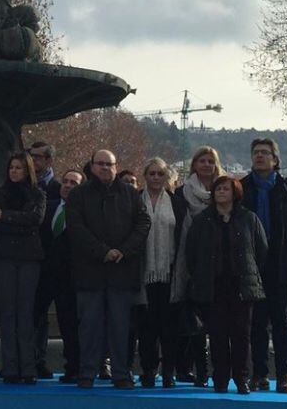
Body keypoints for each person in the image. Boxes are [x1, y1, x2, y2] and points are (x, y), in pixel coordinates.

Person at [67, 149, 151, 389]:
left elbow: (144, 223)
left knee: (121, 328)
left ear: (116, 167)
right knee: (89, 327)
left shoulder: (131, 194)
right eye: (100, 164)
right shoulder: (78, 195)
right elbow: (76, 228)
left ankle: (121, 374)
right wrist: (103, 251)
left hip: (122, 271)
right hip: (89, 272)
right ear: (92, 166)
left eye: (109, 164)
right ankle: (87, 373)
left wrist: (124, 250)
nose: (105, 168)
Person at [186, 176, 268, 394]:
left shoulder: (249, 218)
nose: (221, 192)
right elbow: (191, 253)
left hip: (241, 286)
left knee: (242, 336)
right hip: (213, 287)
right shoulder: (203, 220)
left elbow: (261, 250)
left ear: (235, 193)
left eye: (226, 189)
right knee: (217, 335)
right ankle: (220, 378)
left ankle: (242, 379)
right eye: (218, 189)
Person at [242, 138, 287, 394]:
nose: (259, 156)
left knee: (281, 322)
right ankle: (259, 373)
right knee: (256, 323)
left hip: (280, 265)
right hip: (252, 265)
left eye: (264, 153)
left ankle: (284, 375)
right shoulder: (243, 187)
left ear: (275, 160)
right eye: (255, 152)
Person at [171, 145, 226, 387]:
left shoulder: (223, 191)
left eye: (210, 161)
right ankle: (192, 370)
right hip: (187, 261)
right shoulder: (182, 193)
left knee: (215, 322)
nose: (206, 165)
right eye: (201, 160)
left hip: (218, 264)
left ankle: (216, 370)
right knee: (190, 320)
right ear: (194, 165)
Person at [0, 152, 46, 384]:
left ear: (28, 170)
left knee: (25, 312)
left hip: (29, 259)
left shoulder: (38, 194)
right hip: (4, 257)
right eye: (12, 167)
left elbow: (35, 220)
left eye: (19, 168)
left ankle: (28, 367)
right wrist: (16, 220)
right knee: (8, 313)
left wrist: (7, 217)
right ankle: (10, 366)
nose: (14, 171)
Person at [136, 158, 187, 388]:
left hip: (170, 273)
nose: (156, 178)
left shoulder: (177, 204)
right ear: (145, 176)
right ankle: (148, 370)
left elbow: (184, 238)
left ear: (166, 177)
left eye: (160, 174)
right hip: (142, 273)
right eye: (152, 173)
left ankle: (168, 372)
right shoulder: (135, 201)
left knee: (169, 328)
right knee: (146, 327)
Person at [39, 168, 85, 383]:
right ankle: (35, 362)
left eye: (73, 183)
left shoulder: (85, 212)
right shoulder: (49, 208)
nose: (67, 185)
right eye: (65, 181)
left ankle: (73, 367)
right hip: (46, 274)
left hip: (72, 276)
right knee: (36, 319)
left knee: (69, 324)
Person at [29, 140, 60, 378]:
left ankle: (40, 358)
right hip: (27, 258)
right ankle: (29, 358)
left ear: (49, 160)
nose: (33, 161)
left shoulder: (59, 188)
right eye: (31, 156)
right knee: (32, 313)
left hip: (53, 261)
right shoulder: (24, 185)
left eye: (38, 157)